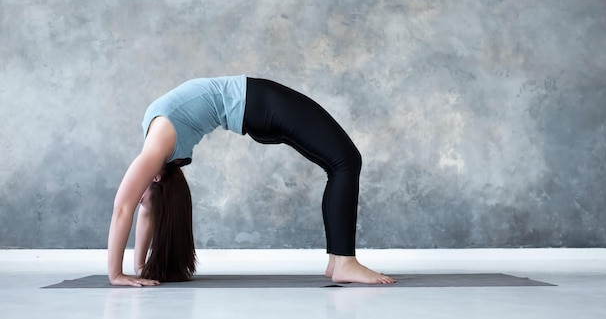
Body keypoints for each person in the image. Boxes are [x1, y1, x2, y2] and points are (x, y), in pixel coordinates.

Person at [107, 75, 396, 286]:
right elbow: (126, 209)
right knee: (345, 161)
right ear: (156, 177)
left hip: (255, 107)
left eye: (141, 195)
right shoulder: (157, 148)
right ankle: (344, 261)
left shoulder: (157, 147)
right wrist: (117, 274)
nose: (137, 194)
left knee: (339, 163)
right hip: (259, 103)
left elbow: (143, 209)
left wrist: (139, 266)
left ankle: (338, 261)